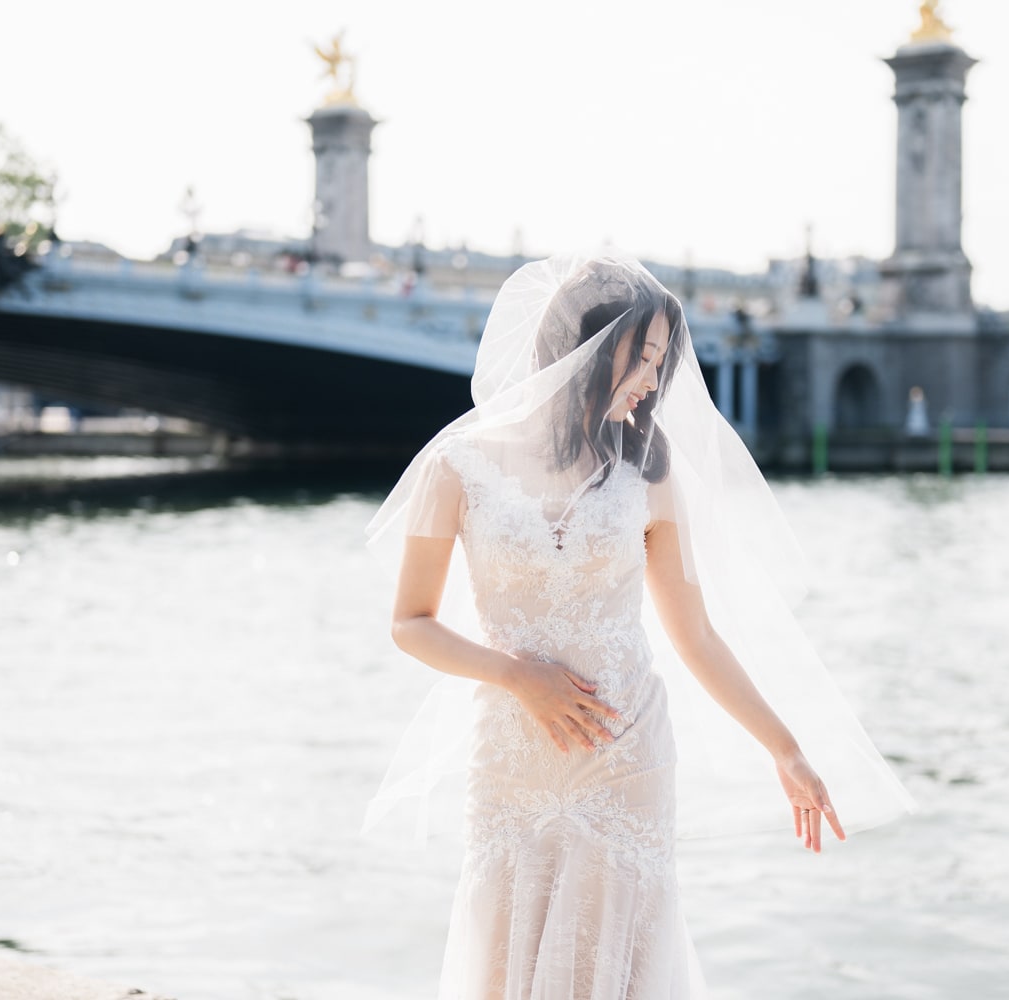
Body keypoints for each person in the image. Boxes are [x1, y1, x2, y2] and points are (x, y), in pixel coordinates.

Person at [367, 255, 913, 998]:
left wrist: (785, 750)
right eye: (645, 356)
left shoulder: (648, 472)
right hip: (511, 755)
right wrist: (516, 676)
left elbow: (696, 635)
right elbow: (410, 623)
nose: (654, 380)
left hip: (627, 755)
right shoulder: (457, 468)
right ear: (587, 346)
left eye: (661, 361)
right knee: (507, 939)